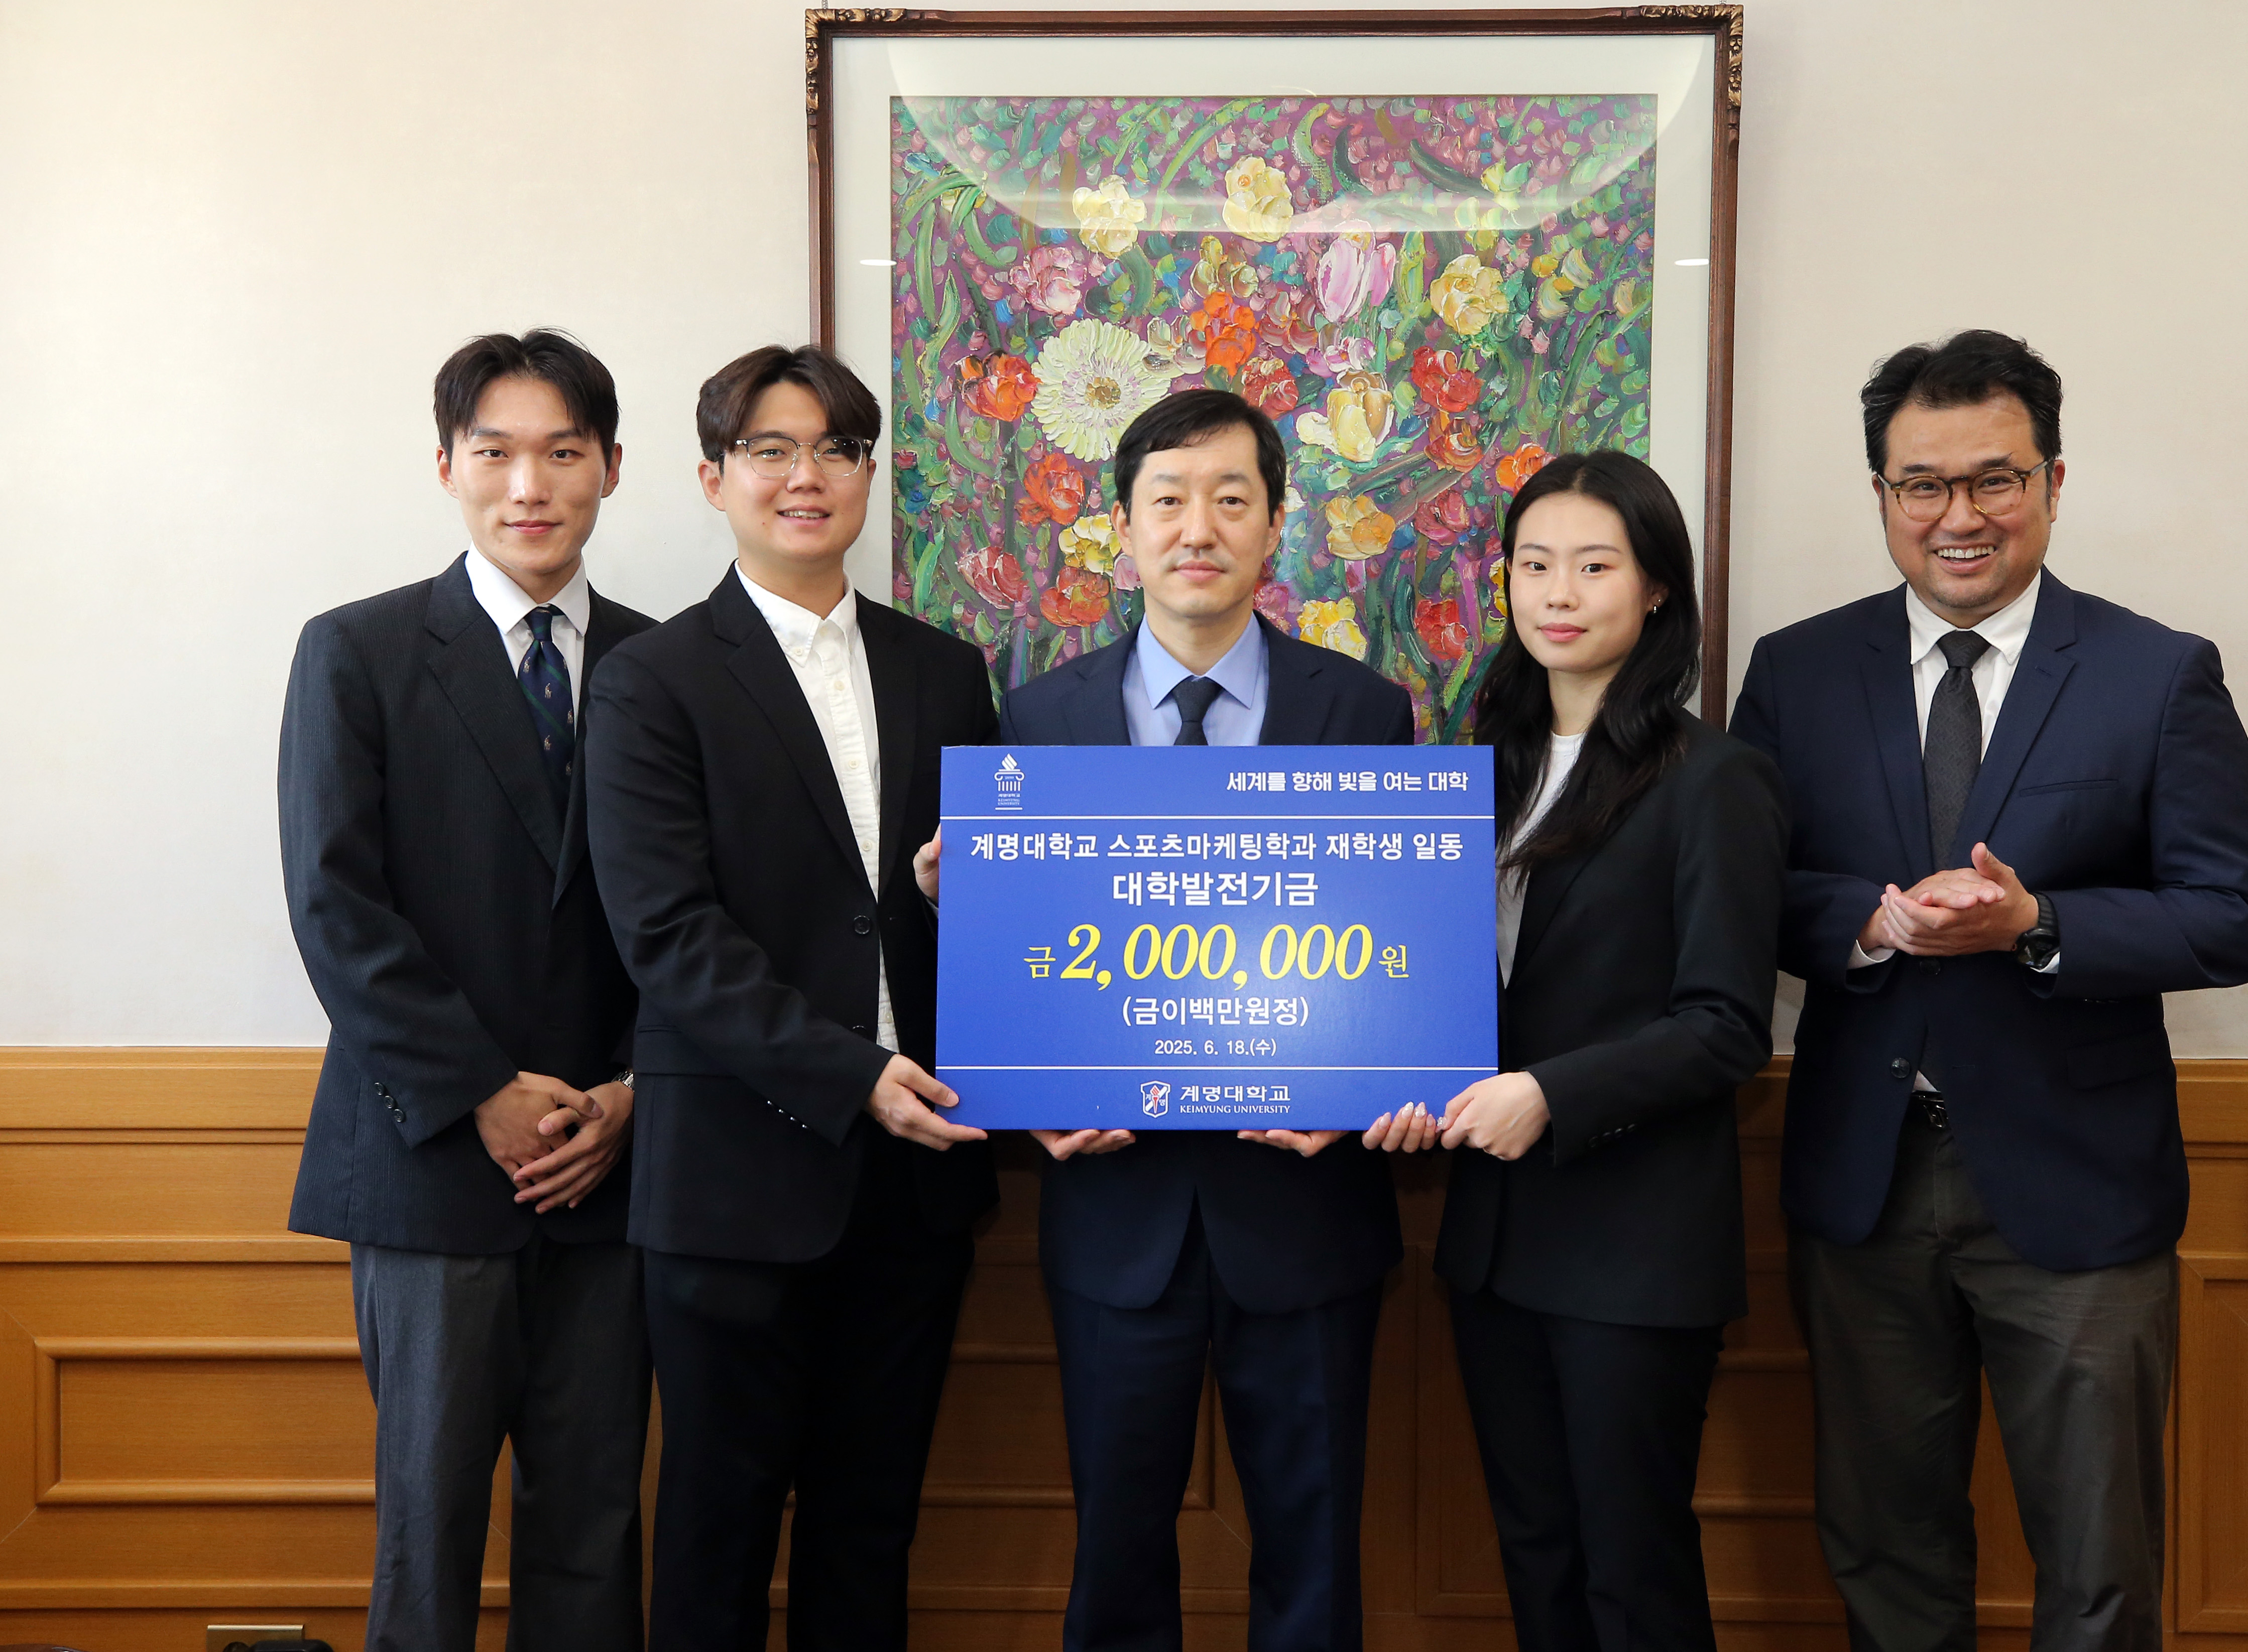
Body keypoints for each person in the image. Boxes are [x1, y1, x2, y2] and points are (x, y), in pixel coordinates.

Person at [1729, 330, 2248, 1651]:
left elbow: (2239, 913)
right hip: (1862, 1180)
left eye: (1994, 478)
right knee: (1884, 1543)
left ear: (2050, 480)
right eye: (1921, 484)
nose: (1958, 515)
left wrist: (2039, 924)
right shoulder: (1795, 671)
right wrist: (1868, 918)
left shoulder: (2157, 673)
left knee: (2097, 1567)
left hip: (2075, 1183)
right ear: (1880, 494)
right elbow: (1740, 889)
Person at [582, 344, 998, 1651]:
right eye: (769, 449)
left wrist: (965, 893)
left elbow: (1003, 919)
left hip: (917, 1173)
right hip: (732, 1178)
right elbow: (669, 935)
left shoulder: (948, 669)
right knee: (716, 1527)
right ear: (713, 478)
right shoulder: (651, 680)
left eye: (834, 449)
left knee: (872, 1528)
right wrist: (848, 1069)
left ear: (868, 476)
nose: (804, 475)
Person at [986, 387, 1413, 1652]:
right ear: (1120, 529)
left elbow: (1390, 951)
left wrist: (1356, 1092)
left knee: (1315, 1557)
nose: (1199, 525)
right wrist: (1030, 1101)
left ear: (1276, 525)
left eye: (1233, 497)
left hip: (1308, 1212)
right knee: (1115, 1555)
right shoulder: (1038, 719)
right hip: (1115, 1216)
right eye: (1168, 498)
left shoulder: (1365, 712)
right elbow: (1024, 969)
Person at [1365, 451, 1787, 1651]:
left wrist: (1548, 1094)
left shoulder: (1717, 780)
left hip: (1634, 1250)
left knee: (1631, 1569)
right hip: (1494, 1242)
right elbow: (1421, 991)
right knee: (1538, 1554)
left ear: (1655, 588)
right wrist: (1392, 1087)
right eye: (1533, 564)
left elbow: (1724, 1025)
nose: (1559, 591)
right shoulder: (1470, 770)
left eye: (1595, 565)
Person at [278, 328, 654, 1651]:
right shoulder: (359, 651)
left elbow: (709, 920)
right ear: (446, 465)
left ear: (614, 465)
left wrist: (629, 1097)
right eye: (495, 451)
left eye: (563, 450)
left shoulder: (673, 669)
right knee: (427, 1523)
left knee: (596, 1518)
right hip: (432, 1156)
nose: (529, 483)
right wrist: (482, 1090)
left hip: (617, 1167)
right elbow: (337, 906)